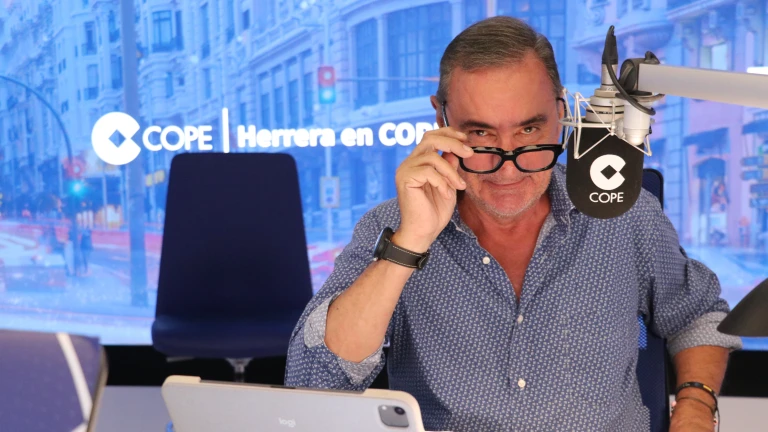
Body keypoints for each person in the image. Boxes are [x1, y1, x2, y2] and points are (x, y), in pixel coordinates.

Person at [285, 17, 741, 432]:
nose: (508, 167)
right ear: (441, 119)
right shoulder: (392, 227)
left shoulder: (625, 213)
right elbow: (314, 381)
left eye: (528, 130)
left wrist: (696, 406)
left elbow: (698, 313)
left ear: (561, 112)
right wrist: (409, 245)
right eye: (480, 133)